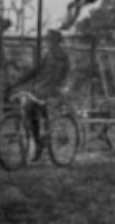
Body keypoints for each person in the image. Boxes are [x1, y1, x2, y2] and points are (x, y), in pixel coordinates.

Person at [10, 30, 71, 161]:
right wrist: (19, 81)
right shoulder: (48, 55)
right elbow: (36, 70)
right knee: (28, 108)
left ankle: (46, 137)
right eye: (47, 40)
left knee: (44, 108)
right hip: (41, 88)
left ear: (56, 41)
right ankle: (38, 142)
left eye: (50, 40)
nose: (48, 43)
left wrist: (47, 86)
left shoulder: (62, 56)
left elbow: (60, 76)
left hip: (54, 89)